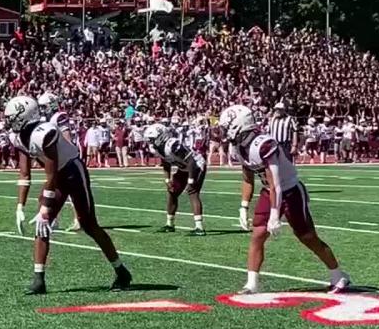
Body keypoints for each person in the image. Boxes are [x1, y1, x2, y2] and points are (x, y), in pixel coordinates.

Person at [5, 96, 132, 295]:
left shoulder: (44, 133)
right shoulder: (18, 137)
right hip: (56, 177)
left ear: (24, 115)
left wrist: (45, 207)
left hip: (72, 171)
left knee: (89, 225)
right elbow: (24, 173)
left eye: (12, 117)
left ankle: (121, 271)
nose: (9, 121)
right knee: (42, 225)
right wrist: (20, 206)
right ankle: (39, 279)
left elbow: (52, 172)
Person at [221, 105, 350, 293]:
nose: (224, 131)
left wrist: (275, 215)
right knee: (257, 234)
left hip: (290, 190)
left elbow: (277, 184)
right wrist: (243, 205)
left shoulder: (263, 144)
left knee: (307, 237)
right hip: (269, 190)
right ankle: (252, 284)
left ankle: (338, 275)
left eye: (227, 126)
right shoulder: (239, 147)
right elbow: (247, 178)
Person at [144, 122, 207, 235]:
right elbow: (166, 162)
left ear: (161, 136)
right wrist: (167, 180)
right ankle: (170, 224)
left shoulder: (173, 144)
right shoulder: (158, 148)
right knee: (172, 191)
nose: (150, 143)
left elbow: (191, 161)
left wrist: (191, 180)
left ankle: (199, 227)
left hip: (196, 166)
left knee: (192, 191)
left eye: (152, 139)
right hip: (184, 168)